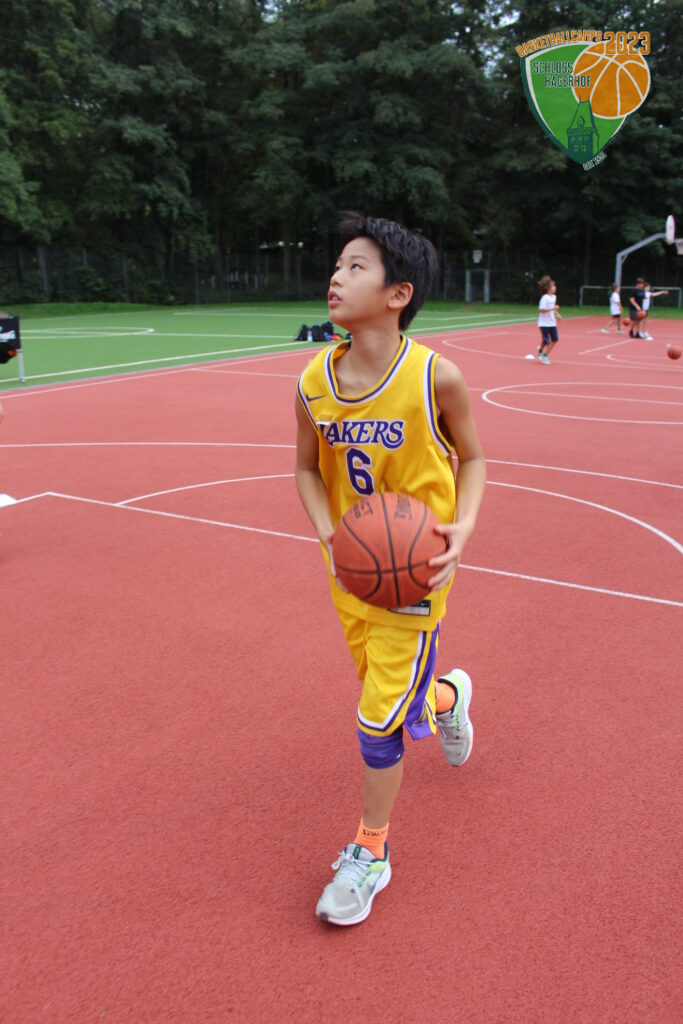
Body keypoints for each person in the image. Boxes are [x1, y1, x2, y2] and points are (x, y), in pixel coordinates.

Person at [294, 213, 486, 926]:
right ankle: (447, 697)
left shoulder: (436, 376)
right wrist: (329, 534)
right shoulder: (313, 380)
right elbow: (304, 470)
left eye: (355, 266)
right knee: (392, 695)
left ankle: (370, 852)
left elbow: (474, 458)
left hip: (415, 576)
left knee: (376, 723)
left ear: (398, 293)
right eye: (336, 265)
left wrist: (463, 526)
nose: (336, 277)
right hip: (353, 573)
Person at [536, 275, 561, 364]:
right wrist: (552, 308)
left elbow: (552, 308)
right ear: (548, 288)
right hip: (543, 323)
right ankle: (540, 349)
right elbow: (541, 310)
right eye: (553, 286)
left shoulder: (554, 297)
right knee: (546, 341)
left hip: (552, 322)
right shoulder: (544, 298)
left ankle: (544, 355)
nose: (555, 287)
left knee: (555, 339)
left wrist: (557, 314)